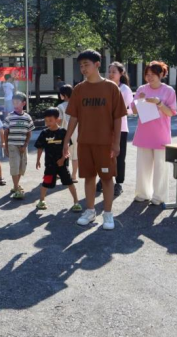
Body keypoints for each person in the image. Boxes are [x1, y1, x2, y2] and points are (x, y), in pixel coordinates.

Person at [63, 49, 127, 231]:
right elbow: (73, 118)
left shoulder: (111, 88)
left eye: (86, 65)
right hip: (85, 142)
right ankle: (90, 211)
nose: (83, 68)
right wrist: (66, 141)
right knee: (89, 177)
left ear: (97, 64)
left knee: (107, 179)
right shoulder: (79, 89)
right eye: (81, 65)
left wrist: (115, 143)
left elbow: (117, 117)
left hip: (105, 143)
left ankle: (107, 213)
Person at [131, 61, 177, 206]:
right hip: (144, 133)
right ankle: (142, 193)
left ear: (162, 74)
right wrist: (140, 100)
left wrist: (159, 103)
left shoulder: (168, 91)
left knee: (161, 167)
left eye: (153, 74)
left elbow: (171, 112)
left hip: (161, 134)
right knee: (143, 166)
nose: (149, 77)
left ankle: (159, 196)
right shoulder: (141, 89)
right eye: (147, 74)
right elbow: (133, 110)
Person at [35, 108, 83, 212]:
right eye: (46, 120)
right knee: (45, 183)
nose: (48, 123)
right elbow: (40, 147)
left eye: (50, 120)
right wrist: (38, 160)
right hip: (50, 165)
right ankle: (41, 200)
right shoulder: (44, 133)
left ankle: (76, 202)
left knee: (69, 182)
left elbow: (67, 148)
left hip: (62, 165)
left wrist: (62, 159)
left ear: (58, 120)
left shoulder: (63, 132)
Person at [102, 61, 134, 197]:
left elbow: (127, 109)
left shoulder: (125, 90)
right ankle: (103, 179)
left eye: (114, 72)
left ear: (121, 73)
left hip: (120, 128)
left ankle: (118, 182)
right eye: (109, 71)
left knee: (119, 157)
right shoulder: (104, 87)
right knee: (103, 156)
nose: (111, 74)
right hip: (104, 127)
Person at [3, 92, 35, 200]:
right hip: (12, 145)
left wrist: (25, 145)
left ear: (24, 103)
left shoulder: (27, 117)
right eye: (13, 102)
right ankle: (17, 189)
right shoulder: (10, 117)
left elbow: (29, 132)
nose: (15, 104)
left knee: (21, 167)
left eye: (17, 102)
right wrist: (5, 147)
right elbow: (6, 132)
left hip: (22, 147)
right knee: (14, 166)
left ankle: (15, 185)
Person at [57, 85, 79, 182]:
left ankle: (61, 174)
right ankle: (74, 176)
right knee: (75, 156)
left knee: (63, 154)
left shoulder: (60, 107)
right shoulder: (77, 104)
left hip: (65, 133)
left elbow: (58, 121)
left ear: (64, 95)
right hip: (77, 133)